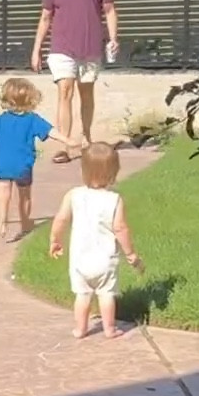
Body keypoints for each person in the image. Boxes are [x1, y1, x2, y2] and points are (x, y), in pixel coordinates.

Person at [0, 76, 75, 241]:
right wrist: (67, 140)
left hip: (3, 164)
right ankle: (25, 223)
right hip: (23, 164)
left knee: (3, 193)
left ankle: (3, 220)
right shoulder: (33, 119)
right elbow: (50, 132)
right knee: (25, 195)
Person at [31, 0, 118, 162]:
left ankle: (87, 137)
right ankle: (65, 144)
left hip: (90, 47)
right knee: (65, 92)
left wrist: (113, 38)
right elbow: (45, 17)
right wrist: (36, 49)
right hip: (62, 47)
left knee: (86, 92)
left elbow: (109, 11)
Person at [48, 141, 143, 340]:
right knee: (106, 294)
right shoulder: (114, 199)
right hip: (105, 260)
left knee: (82, 295)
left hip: (80, 260)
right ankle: (109, 329)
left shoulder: (73, 195)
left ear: (83, 169)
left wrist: (55, 239)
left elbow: (61, 219)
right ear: (113, 173)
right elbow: (120, 228)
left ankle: (80, 329)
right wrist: (130, 254)